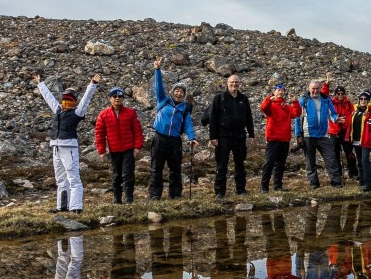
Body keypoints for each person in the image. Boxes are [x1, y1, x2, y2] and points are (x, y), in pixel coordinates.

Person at [34, 72, 99, 212]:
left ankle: (76, 207)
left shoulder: (77, 112)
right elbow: (48, 98)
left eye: (69, 100)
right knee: (61, 179)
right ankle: (62, 206)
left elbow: (86, 99)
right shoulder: (58, 110)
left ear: (74, 101)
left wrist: (92, 84)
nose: (66, 102)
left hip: (69, 147)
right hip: (56, 147)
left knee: (73, 177)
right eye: (65, 99)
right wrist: (41, 84)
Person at [149, 57, 197, 200]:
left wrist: (192, 137)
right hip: (160, 138)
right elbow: (159, 87)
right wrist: (157, 69)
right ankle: (155, 195)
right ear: (173, 92)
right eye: (177, 90)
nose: (179, 93)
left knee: (175, 169)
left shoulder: (185, 108)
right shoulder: (163, 100)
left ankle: (175, 194)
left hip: (175, 141)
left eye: (182, 91)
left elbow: (188, 124)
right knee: (156, 168)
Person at [94, 87, 144, 204]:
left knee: (128, 174)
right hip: (113, 150)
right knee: (116, 175)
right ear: (109, 99)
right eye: (114, 96)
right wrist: (101, 152)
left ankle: (129, 199)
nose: (117, 98)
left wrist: (137, 147)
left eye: (120, 96)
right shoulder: (103, 114)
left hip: (128, 149)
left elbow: (137, 131)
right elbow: (99, 134)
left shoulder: (131, 112)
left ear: (123, 98)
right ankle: (117, 200)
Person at [208, 74, 255, 197]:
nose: (234, 84)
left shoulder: (243, 98)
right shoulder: (219, 98)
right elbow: (212, 118)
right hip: (223, 136)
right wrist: (213, 136)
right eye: (232, 82)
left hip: (240, 135)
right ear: (227, 83)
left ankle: (241, 189)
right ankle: (219, 191)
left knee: (240, 163)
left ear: (239, 83)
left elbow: (248, 117)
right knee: (222, 164)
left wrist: (251, 134)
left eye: (236, 82)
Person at [295, 80, 343, 188]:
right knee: (310, 160)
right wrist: (298, 135)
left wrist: (336, 119)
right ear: (309, 88)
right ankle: (314, 183)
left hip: (323, 134)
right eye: (313, 88)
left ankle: (336, 182)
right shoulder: (303, 100)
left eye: (317, 88)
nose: (315, 91)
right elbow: (297, 118)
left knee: (331, 158)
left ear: (320, 89)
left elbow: (332, 113)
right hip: (308, 134)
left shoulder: (326, 99)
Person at [259, 84, 301, 192]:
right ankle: (264, 187)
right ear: (274, 92)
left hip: (285, 138)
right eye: (278, 90)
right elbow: (263, 108)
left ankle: (278, 185)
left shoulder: (286, 106)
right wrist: (269, 99)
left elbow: (296, 113)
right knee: (269, 163)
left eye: (282, 91)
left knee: (280, 163)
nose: (280, 92)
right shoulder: (271, 105)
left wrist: (295, 103)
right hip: (273, 138)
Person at [349, 91, 371, 192]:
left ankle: (368, 183)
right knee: (359, 160)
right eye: (361, 99)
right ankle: (362, 179)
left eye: (365, 99)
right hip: (356, 139)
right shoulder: (355, 110)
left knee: (365, 160)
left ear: (368, 100)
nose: (363, 101)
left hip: (366, 139)